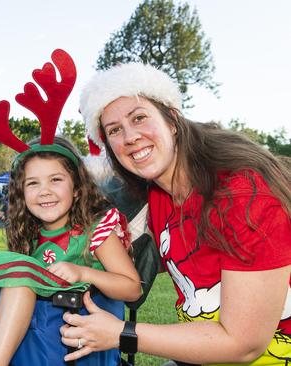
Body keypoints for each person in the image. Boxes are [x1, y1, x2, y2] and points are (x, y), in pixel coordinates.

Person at [62, 62, 291, 364]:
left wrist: (122, 332)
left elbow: (243, 344)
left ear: (172, 119)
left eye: (139, 118)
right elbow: (181, 260)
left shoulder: (241, 193)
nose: (130, 137)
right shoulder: (160, 194)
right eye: (115, 130)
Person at [0, 136, 141, 365]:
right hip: (32, 347)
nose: (44, 191)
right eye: (33, 183)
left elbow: (132, 289)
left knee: (20, 275)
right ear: (21, 192)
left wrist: (84, 274)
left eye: (55, 180)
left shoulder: (95, 231)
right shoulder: (29, 236)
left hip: (73, 344)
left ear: (78, 188)